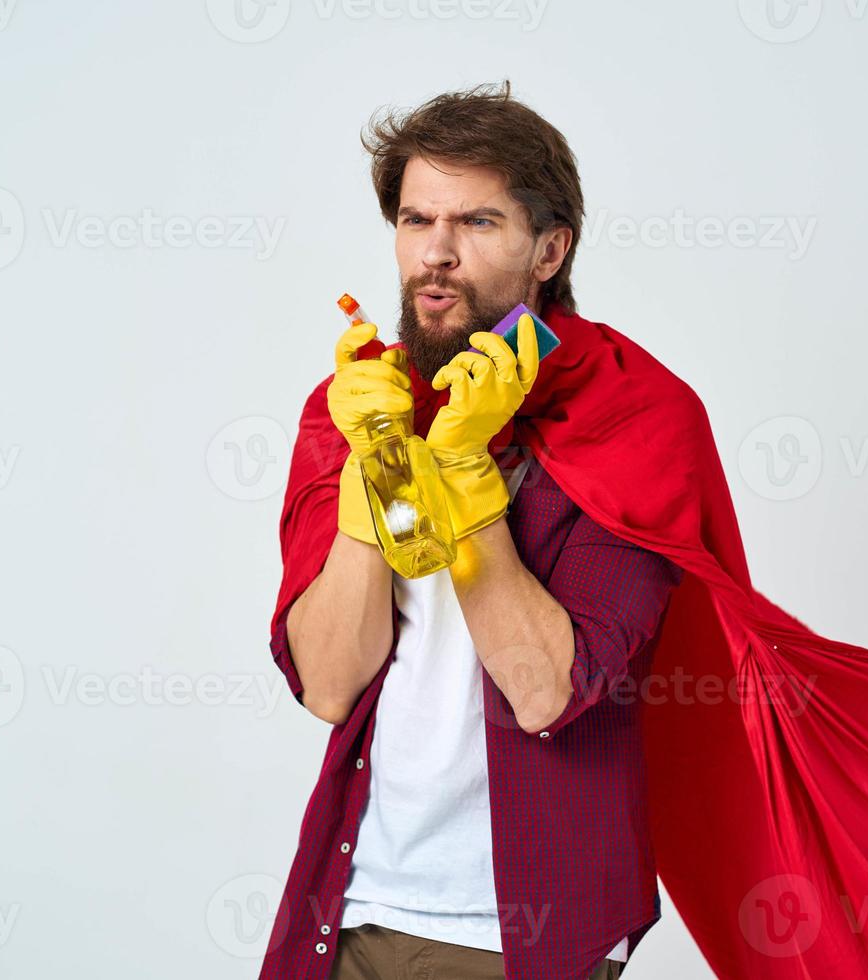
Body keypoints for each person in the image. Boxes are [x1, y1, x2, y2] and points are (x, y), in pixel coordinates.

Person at [262, 81, 681, 980]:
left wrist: (466, 473)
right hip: (353, 900)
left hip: (525, 931)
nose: (437, 255)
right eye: (417, 221)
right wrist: (382, 463)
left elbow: (547, 693)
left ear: (549, 248)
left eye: (479, 223)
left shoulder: (637, 418)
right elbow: (330, 684)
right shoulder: (357, 407)